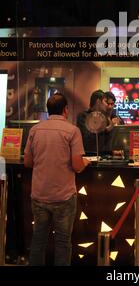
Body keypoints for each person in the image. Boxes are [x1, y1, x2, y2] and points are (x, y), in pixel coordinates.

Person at [24, 93, 90, 266]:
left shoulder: (35, 130)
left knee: (38, 241)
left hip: (39, 196)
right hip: (64, 197)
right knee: (62, 243)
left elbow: (28, 162)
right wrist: (85, 162)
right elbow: (77, 166)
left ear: (48, 110)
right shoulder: (72, 131)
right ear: (65, 110)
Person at [76, 90, 120, 155]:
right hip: (89, 157)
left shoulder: (108, 117)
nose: (108, 106)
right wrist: (107, 129)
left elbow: (106, 144)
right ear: (98, 102)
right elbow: (88, 140)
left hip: (105, 158)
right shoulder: (84, 117)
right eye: (106, 101)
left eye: (111, 104)